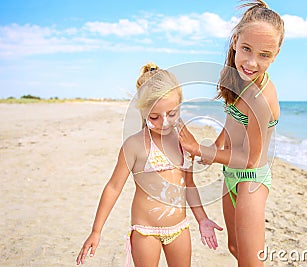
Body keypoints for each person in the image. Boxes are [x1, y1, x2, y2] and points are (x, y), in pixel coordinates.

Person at [76, 63, 223, 267]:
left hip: (179, 228)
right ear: (143, 112)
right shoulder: (134, 145)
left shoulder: (184, 138)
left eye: (172, 114)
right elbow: (113, 187)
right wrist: (96, 230)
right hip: (146, 231)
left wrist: (202, 219)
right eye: (154, 117)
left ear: (180, 104)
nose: (164, 122)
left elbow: (189, 184)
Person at [178, 1, 284, 266]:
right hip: (231, 175)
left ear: (276, 54)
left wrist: (201, 150)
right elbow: (232, 120)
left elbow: (249, 159)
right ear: (235, 40)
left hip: (251, 180)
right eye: (246, 49)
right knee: (235, 246)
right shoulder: (237, 79)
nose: (251, 62)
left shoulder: (262, 98)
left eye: (264, 55)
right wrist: (216, 143)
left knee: (250, 260)